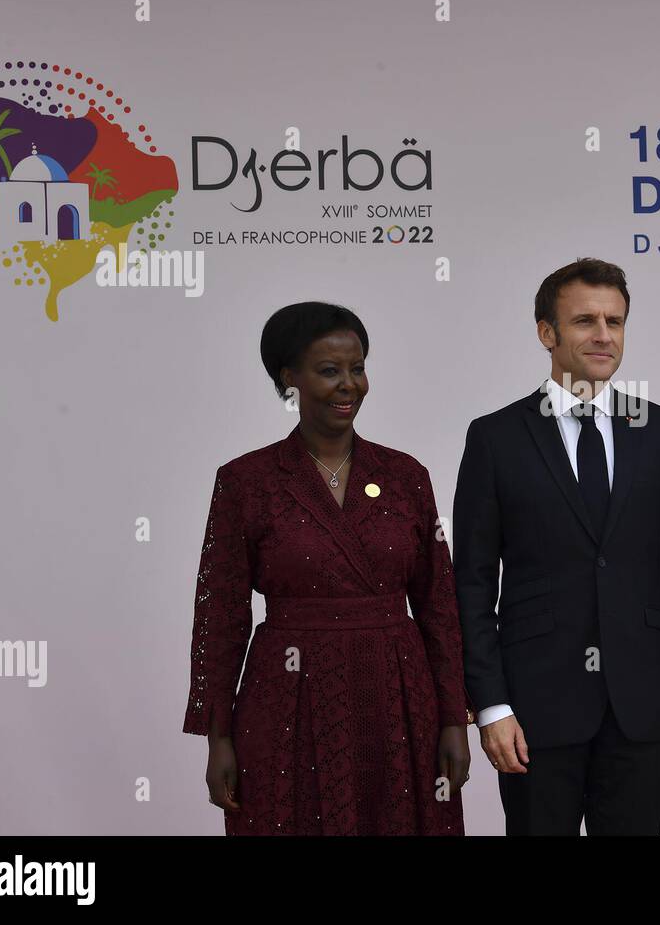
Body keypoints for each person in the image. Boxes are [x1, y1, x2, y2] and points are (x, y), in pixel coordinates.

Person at [182, 301, 472, 835]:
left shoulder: (407, 475)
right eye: (329, 370)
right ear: (288, 378)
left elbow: (439, 603)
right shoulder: (246, 481)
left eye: (357, 368)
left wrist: (455, 719)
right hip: (287, 695)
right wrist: (218, 735)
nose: (349, 385)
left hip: (399, 698)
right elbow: (221, 614)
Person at [452, 258, 660, 835]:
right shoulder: (495, 438)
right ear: (547, 333)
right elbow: (470, 585)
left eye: (615, 322)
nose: (603, 336)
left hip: (641, 703)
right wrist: (490, 704)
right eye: (585, 321)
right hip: (533, 710)